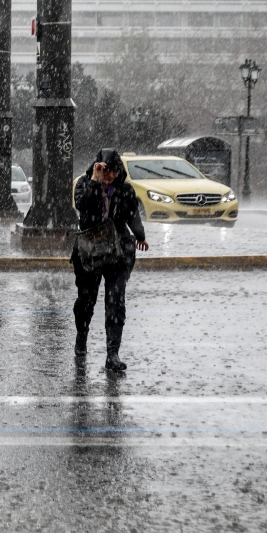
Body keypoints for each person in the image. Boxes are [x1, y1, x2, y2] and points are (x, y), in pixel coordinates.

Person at [71, 149, 149, 372]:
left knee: (116, 302)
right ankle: (81, 338)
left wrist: (140, 235)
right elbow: (83, 206)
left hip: (117, 252)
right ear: (97, 166)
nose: (110, 175)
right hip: (89, 251)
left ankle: (112, 354)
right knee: (86, 300)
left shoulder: (124, 189)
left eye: (114, 171)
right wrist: (95, 181)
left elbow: (133, 213)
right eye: (106, 170)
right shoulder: (85, 184)